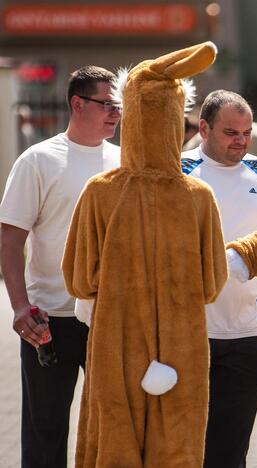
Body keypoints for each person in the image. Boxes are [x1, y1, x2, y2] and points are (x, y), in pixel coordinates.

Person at [0, 65, 120, 468]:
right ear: (77, 103)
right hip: (47, 320)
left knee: (112, 430)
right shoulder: (38, 160)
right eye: (107, 104)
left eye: (118, 106)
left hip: (108, 318)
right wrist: (19, 307)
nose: (115, 113)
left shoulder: (125, 163)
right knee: (46, 433)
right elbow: (10, 240)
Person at [181, 90, 257, 468]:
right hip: (184, 336)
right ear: (204, 128)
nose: (241, 141)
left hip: (248, 335)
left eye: (245, 132)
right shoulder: (175, 171)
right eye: (231, 132)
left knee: (229, 454)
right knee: (185, 451)